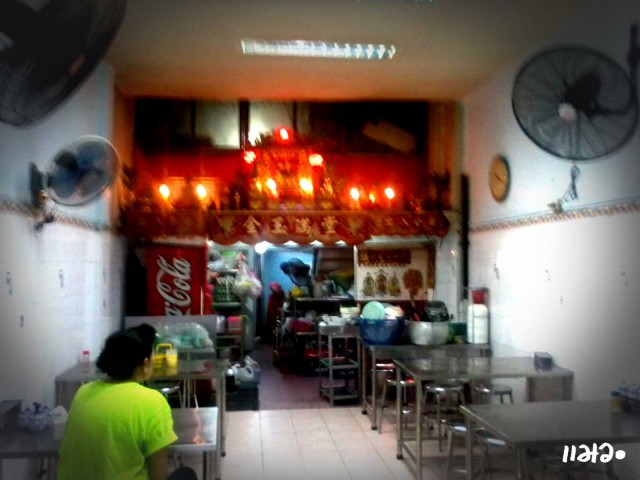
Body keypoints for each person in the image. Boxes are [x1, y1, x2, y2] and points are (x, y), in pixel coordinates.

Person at [57, 324, 195, 480]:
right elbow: (158, 474)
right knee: (186, 474)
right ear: (145, 363)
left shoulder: (83, 392)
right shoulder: (152, 401)